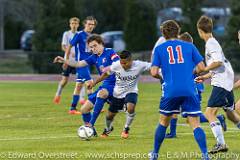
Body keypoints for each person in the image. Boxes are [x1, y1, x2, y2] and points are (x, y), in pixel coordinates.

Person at [149, 20, 209, 160]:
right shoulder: (189, 46)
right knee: (195, 124)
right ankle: (205, 156)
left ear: (163, 33)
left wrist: (162, 78)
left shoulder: (160, 49)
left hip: (171, 90)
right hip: (189, 89)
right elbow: (201, 68)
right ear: (178, 32)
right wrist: (190, 72)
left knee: (163, 122)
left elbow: (153, 72)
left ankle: (155, 155)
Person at [54, 34, 119, 135]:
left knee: (102, 93)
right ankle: (92, 131)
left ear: (101, 44)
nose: (93, 49)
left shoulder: (110, 52)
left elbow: (117, 63)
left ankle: (90, 125)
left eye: (95, 46)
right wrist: (64, 60)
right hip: (106, 85)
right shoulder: (94, 57)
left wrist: (95, 82)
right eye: (91, 47)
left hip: (117, 85)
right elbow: (78, 64)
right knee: (84, 109)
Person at [165, 32, 226, 139]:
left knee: (189, 115)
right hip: (189, 88)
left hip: (192, 89)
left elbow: (195, 70)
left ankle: (219, 118)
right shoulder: (188, 54)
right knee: (184, 114)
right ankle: (172, 132)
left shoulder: (189, 54)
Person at [196, 15, 240, 154]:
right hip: (224, 81)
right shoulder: (212, 42)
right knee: (231, 115)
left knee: (209, 113)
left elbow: (219, 62)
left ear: (199, 30)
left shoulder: (211, 43)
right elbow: (220, 66)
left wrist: (203, 69)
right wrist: (205, 76)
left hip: (221, 83)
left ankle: (221, 143)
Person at [88, 50, 156, 139]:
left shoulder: (139, 65)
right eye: (121, 63)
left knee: (130, 108)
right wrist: (94, 82)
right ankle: (108, 128)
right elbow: (105, 75)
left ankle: (126, 128)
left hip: (131, 91)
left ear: (131, 60)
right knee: (109, 116)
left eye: (125, 63)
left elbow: (154, 66)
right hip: (118, 93)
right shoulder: (116, 65)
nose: (123, 65)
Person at [64, 16, 97, 115]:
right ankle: (93, 107)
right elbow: (69, 46)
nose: (90, 26)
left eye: (92, 24)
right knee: (90, 84)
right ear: (85, 24)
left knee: (78, 86)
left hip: (87, 64)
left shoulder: (92, 37)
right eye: (89, 24)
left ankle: (72, 108)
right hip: (80, 64)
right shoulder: (79, 35)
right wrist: (66, 60)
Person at [53, 17, 86, 105]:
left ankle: (82, 99)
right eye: (72, 23)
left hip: (77, 61)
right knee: (64, 81)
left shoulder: (80, 34)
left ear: (78, 25)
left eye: (76, 24)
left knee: (81, 79)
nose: (74, 25)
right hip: (68, 60)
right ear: (70, 24)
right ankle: (58, 94)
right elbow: (63, 46)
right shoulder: (66, 34)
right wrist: (69, 53)